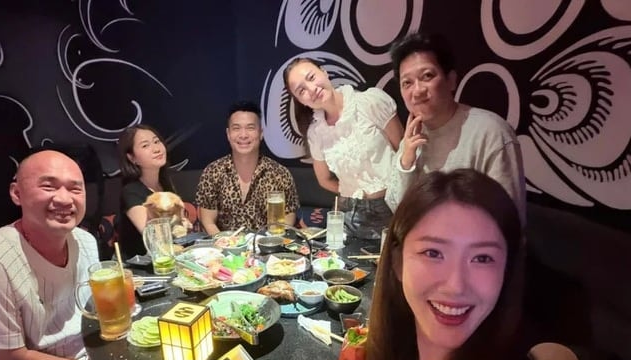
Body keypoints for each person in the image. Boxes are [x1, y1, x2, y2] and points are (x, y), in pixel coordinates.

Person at [0, 150, 250, 360]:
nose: (64, 198)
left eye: (75, 188)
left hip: (83, 352)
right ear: (17, 193)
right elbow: (12, 358)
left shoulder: (85, 241)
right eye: (48, 186)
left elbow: (95, 309)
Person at [357, 169, 625, 360]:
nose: (456, 286)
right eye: (433, 252)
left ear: (506, 271)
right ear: (397, 262)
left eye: (482, 258)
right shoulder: (402, 344)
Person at [388, 32, 527, 225]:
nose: (417, 91)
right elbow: (396, 208)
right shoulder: (412, 137)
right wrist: (406, 162)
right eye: (407, 83)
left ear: (451, 80)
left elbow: (508, 223)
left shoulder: (491, 133)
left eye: (427, 76)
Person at [283, 58, 405, 239]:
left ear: (324, 72)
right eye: (301, 91)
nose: (311, 89)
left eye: (311, 77)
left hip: (393, 208)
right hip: (350, 215)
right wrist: (352, 189)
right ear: (301, 101)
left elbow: (404, 154)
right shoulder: (316, 132)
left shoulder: (370, 102)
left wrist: (392, 192)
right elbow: (324, 179)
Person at [196, 101, 300, 235]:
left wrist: (269, 243)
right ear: (228, 134)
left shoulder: (280, 174)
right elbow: (208, 221)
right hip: (225, 245)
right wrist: (225, 243)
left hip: (267, 245)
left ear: (261, 133)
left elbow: (287, 221)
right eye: (236, 128)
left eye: (250, 128)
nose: (243, 135)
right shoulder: (212, 172)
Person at [117, 124, 179, 259]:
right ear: (132, 158)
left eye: (157, 141)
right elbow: (154, 239)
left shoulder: (165, 183)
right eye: (145, 145)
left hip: (168, 257)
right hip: (139, 265)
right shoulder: (131, 191)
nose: (156, 149)